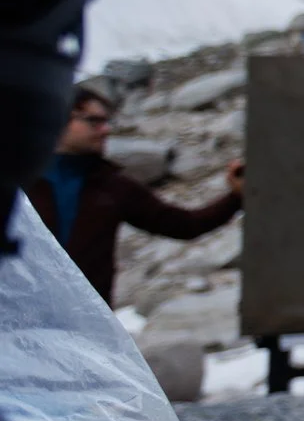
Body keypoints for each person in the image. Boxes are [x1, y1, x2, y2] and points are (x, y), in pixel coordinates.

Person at [23, 85, 243, 304]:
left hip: (86, 322)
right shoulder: (16, 180)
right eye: (94, 121)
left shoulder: (112, 185)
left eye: (106, 122)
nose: (105, 130)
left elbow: (184, 225)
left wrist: (235, 197)